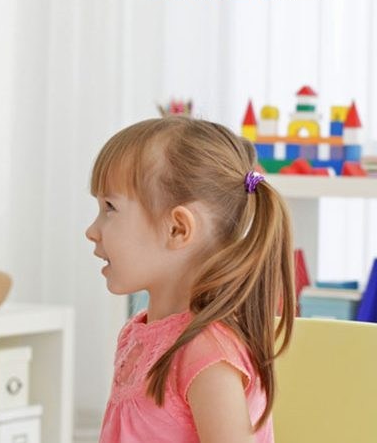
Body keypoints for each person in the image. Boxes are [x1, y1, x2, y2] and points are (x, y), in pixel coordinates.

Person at [85, 117, 295, 443]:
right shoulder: (139, 332)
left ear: (178, 228)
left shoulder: (207, 353)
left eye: (109, 207)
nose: (92, 231)